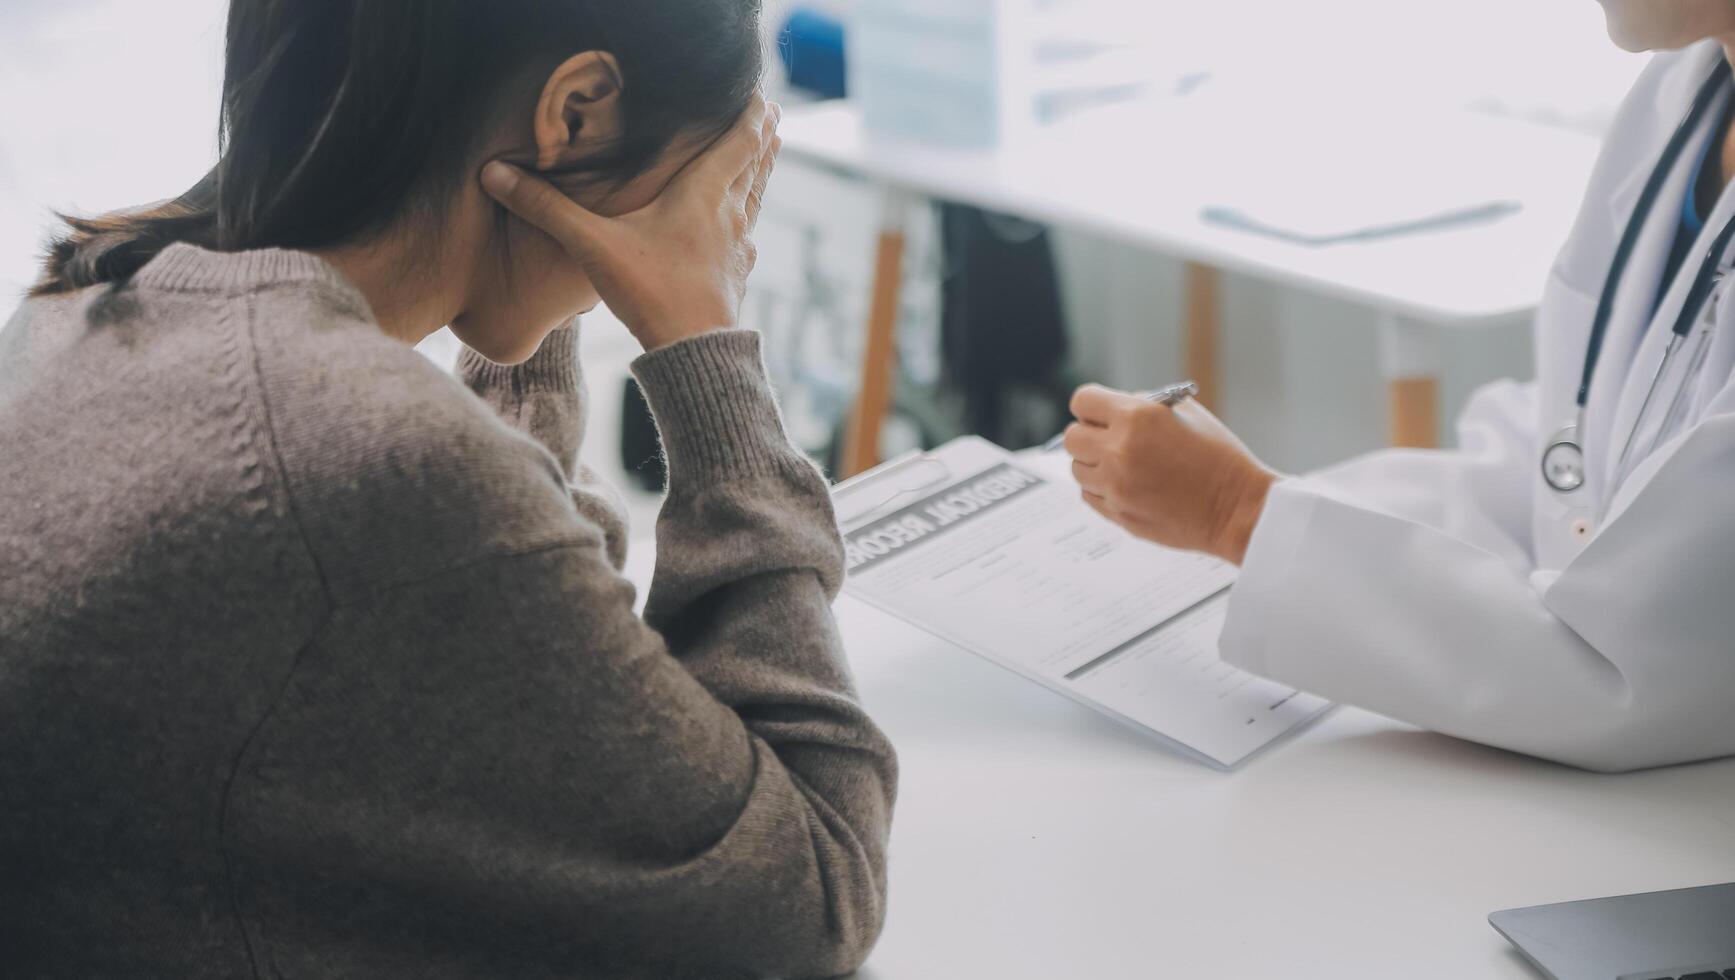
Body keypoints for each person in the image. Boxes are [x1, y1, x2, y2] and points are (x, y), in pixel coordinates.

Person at [0, 1, 897, 977]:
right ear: (579, 110)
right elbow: (810, 892)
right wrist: (703, 340)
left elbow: (529, 669)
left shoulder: (92, 306)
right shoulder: (361, 455)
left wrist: (536, 303)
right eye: (703, 196)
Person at [1063, 0, 1735, 774]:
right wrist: (1263, 506)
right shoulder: (1679, 94)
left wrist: (1238, 514)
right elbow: (1569, 464)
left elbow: (1638, 674)